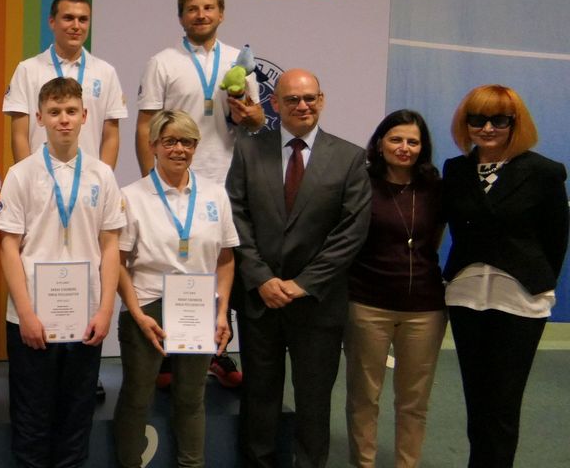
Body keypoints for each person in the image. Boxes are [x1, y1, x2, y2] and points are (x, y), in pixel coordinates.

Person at [226, 68, 371, 468]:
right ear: (276, 104)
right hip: (261, 301)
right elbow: (236, 218)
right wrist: (261, 278)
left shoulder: (350, 158)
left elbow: (351, 232)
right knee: (260, 396)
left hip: (317, 304)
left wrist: (303, 284)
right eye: (292, 99)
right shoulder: (249, 150)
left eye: (310, 98)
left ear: (321, 101)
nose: (302, 106)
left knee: (313, 400)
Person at [135, 0, 263, 389]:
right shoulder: (163, 62)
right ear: (181, 16)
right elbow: (144, 125)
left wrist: (250, 115)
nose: (201, 14)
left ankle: (218, 352)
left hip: (230, 182)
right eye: (193, 8)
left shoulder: (238, 62)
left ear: (221, 14)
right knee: (178, 263)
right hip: (174, 179)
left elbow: (258, 122)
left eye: (209, 8)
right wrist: (148, 183)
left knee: (224, 266)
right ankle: (173, 353)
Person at [0, 77, 124, 467]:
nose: (63, 120)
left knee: (75, 422)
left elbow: (110, 246)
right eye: (54, 112)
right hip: (31, 320)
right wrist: (26, 315)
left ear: (85, 116)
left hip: (85, 320)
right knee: (32, 424)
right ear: (39, 118)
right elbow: (8, 248)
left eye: (71, 111)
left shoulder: (103, 175)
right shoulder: (20, 175)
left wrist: (105, 312)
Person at [440, 85, 568, 468]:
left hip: (520, 301)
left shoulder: (544, 172)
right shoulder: (456, 169)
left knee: (503, 404)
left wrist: (535, 279)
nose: (488, 128)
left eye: (500, 120)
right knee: (477, 401)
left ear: (516, 123)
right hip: (465, 298)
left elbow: (556, 239)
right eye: (477, 120)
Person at [114, 110, 236, 468]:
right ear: (153, 145)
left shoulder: (215, 195)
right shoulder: (130, 196)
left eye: (187, 141)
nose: (179, 149)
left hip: (198, 307)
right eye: (170, 141)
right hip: (147, 305)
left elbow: (226, 259)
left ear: (196, 147)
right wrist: (135, 313)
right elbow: (117, 263)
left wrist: (221, 309)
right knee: (137, 396)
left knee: (191, 396)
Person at [344, 109, 446, 468]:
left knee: (413, 400)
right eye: (396, 139)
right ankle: (365, 464)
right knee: (363, 396)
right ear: (380, 143)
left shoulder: (436, 187)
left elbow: (433, 240)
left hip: (425, 308)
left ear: (423, 147)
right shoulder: (360, 182)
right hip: (367, 304)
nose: (404, 147)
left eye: (412, 141)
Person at [3, 0, 127, 167]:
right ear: (52, 22)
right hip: (40, 180)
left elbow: (111, 136)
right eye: (68, 18)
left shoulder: (106, 72)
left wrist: (103, 182)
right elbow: (19, 135)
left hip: (87, 181)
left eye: (83, 20)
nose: (76, 26)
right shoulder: (27, 70)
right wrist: (27, 179)